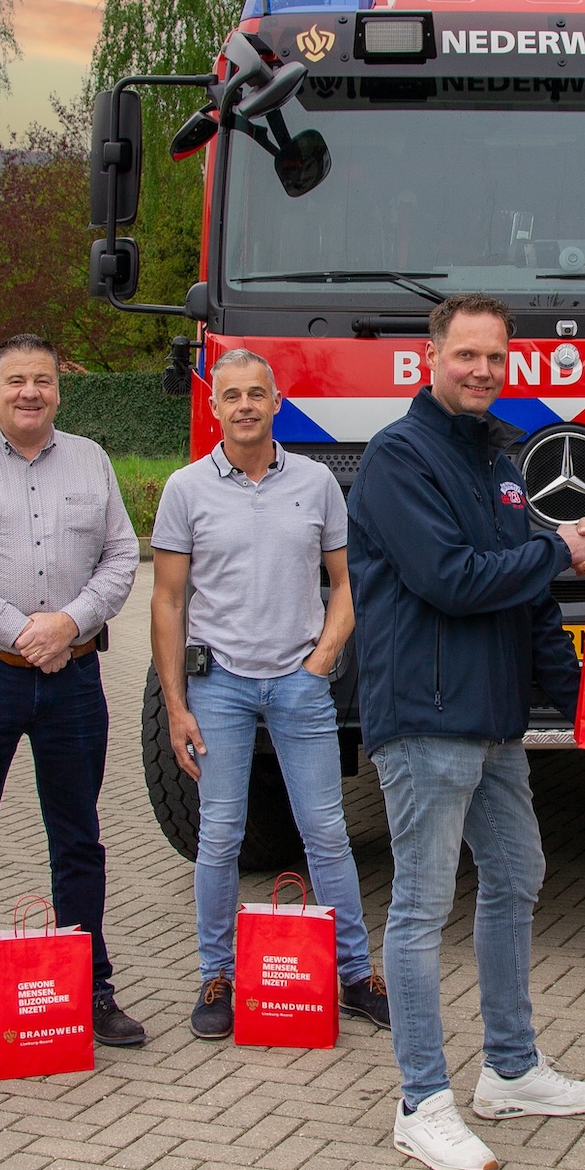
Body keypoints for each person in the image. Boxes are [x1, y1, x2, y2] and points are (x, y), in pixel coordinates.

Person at [349, 293, 585, 1170]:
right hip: (427, 718)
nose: (482, 370)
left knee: (516, 874)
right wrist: (559, 550)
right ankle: (421, 1101)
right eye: (467, 354)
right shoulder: (398, 457)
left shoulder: (501, 463)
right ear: (431, 357)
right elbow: (451, 578)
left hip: (495, 722)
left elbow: (528, 602)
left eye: (496, 357)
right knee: (422, 907)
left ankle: (509, 1067)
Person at [0, 334, 143, 1067]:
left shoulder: (91, 460)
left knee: (79, 840)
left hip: (73, 675)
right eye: (16, 380)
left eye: (42, 380)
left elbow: (121, 555)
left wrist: (69, 623)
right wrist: (20, 630)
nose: (29, 392)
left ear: (58, 390)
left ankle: (90, 988)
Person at [150, 348, 390, 1039]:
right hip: (218, 685)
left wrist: (322, 659)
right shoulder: (185, 489)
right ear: (214, 407)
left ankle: (355, 975)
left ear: (276, 402)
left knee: (326, 832)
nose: (245, 405)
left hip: (299, 683)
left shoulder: (316, 483)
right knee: (220, 835)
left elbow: (346, 582)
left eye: (257, 393)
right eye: (232, 396)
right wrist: (175, 706)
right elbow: (168, 602)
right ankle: (217, 975)